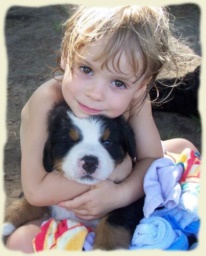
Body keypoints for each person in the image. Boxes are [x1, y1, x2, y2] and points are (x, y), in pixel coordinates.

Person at [5, 5, 199, 253]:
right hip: (55, 192)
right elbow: (35, 192)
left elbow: (151, 159)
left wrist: (119, 195)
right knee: (20, 240)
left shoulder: (137, 99)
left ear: (141, 86)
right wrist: (117, 173)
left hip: (111, 195)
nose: (96, 93)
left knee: (182, 145)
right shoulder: (45, 101)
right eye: (86, 69)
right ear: (66, 56)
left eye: (118, 82)